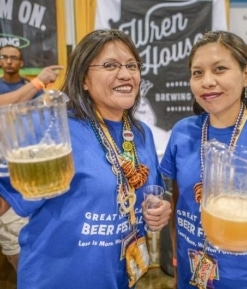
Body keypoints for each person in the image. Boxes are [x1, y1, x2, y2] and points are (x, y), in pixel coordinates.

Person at [0, 29, 171, 289]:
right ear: (83, 80)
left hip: (118, 278)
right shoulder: (54, 128)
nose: (125, 74)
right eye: (110, 65)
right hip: (57, 280)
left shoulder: (141, 133)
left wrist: (159, 211)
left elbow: (150, 195)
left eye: (132, 65)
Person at [159, 30, 247, 289]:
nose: (207, 81)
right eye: (197, 73)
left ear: (246, 74)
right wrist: (178, 269)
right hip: (192, 277)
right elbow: (178, 209)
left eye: (220, 69)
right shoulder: (182, 132)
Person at [0, 46, 62, 271]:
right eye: (4, 57)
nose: (8, 62)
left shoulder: (30, 87)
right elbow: (5, 105)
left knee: (18, 245)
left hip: (20, 175)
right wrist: (38, 81)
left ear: (21, 61)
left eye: (13, 58)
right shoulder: (29, 87)